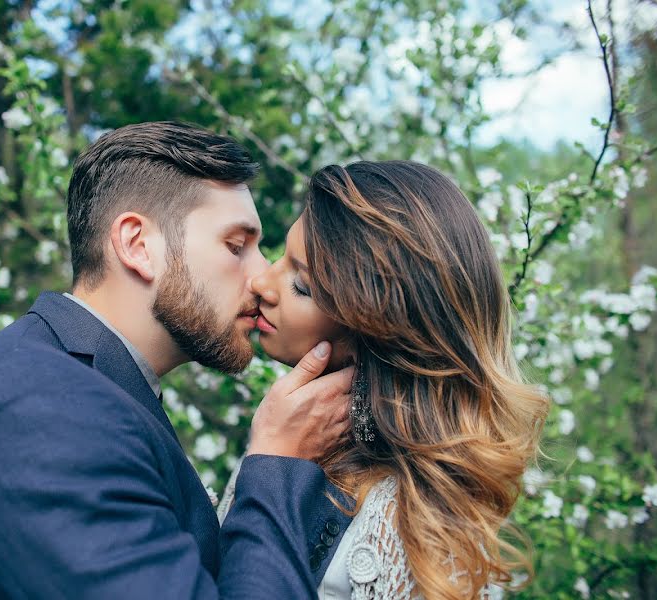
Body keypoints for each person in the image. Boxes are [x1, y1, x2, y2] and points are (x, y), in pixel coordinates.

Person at [0, 121, 355, 599]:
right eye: (236, 246)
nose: (263, 279)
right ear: (138, 246)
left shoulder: (81, 386)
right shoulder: (37, 404)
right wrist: (276, 461)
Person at [219, 160, 549, 599]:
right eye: (280, 258)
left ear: (374, 329)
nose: (262, 282)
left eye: (302, 285)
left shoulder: (414, 530)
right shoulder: (286, 435)